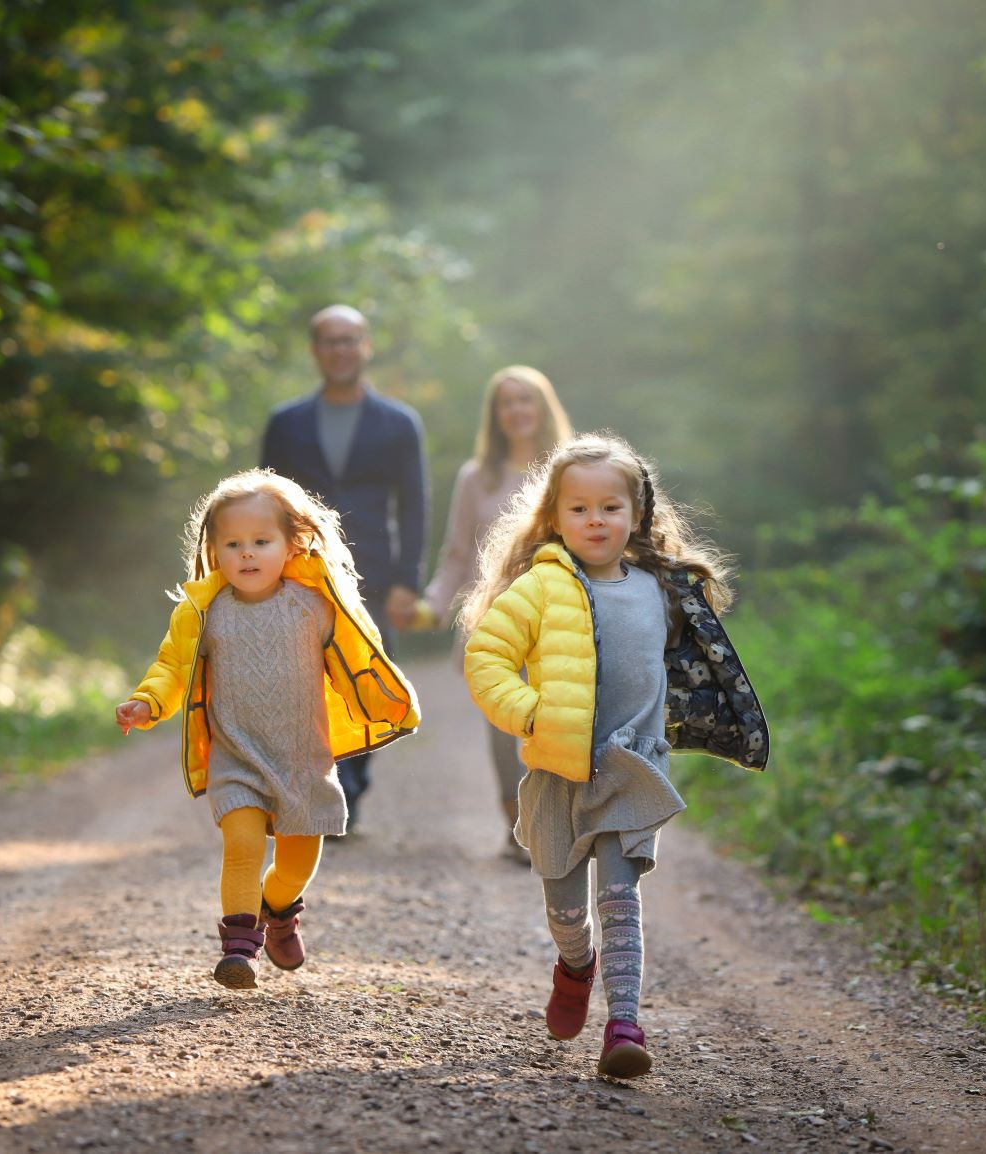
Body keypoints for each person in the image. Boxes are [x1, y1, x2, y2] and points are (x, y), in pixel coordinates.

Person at [460, 432, 769, 1078]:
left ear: (637, 515)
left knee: (620, 896)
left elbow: (696, 667)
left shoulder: (662, 590)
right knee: (567, 911)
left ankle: (624, 1024)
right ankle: (575, 964)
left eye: (610, 507)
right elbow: (487, 657)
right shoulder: (540, 589)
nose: (595, 520)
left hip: (632, 765)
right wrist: (528, 712)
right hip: (559, 769)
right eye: (578, 508)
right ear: (554, 517)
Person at [113, 469, 420, 989]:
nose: (247, 554)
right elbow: (173, 668)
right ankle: (239, 949)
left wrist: (383, 701)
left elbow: (353, 659)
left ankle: (278, 911)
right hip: (237, 760)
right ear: (213, 549)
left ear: (290, 544)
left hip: (303, 762)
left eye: (261, 541)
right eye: (233, 544)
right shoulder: (203, 614)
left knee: (296, 866)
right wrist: (146, 702)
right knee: (242, 845)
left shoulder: (315, 605)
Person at [261, 303, 429, 832]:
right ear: (315, 351)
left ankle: (350, 793)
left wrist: (408, 582)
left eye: (349, 340)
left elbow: (416, 504)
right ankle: (314, 794)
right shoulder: (286, 424)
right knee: (301, 687)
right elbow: (262, 499)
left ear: (366, 347)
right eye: (330, 341)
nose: (340, 350)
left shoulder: (400, 423)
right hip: (299, 574)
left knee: (367, 684)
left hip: (374, 579)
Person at [421, 366, 574, 863]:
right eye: (506, 403)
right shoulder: (475, 477)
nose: (516, 411)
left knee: (555, 723)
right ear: (495, 415)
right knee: (504, 727)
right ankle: (518, 826)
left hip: (558, 619)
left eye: (525, 400)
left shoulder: (568, 472)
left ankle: (555, 821)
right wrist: (433, 605)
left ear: (542, 407)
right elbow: (456, 554)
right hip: (493, 622)